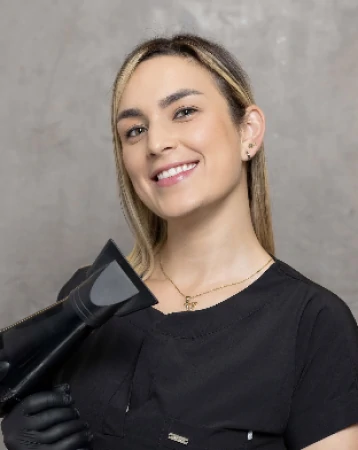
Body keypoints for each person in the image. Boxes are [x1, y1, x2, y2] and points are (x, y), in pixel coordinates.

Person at [1, 33, 358, 450]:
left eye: (184, 111)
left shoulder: (314, 324)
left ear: (249, 131)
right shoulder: (92, 296)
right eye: (134, 130)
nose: (156, 143)